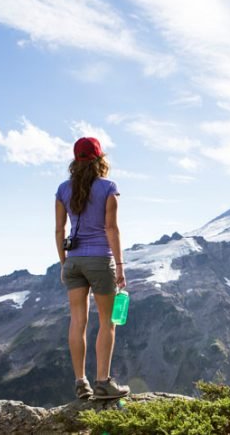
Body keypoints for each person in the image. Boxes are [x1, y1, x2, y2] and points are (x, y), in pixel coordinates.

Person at [55, 137, 130, 400]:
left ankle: (80, 382)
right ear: (100, 158)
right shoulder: (108, 187)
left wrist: (65, 263)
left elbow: (59, 229)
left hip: (73, 260)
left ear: (76, 160)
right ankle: (102, 383)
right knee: (107, 321)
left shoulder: (63, 190)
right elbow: (111, 228)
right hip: (100, 259)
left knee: (78, 321)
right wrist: (120, 266)